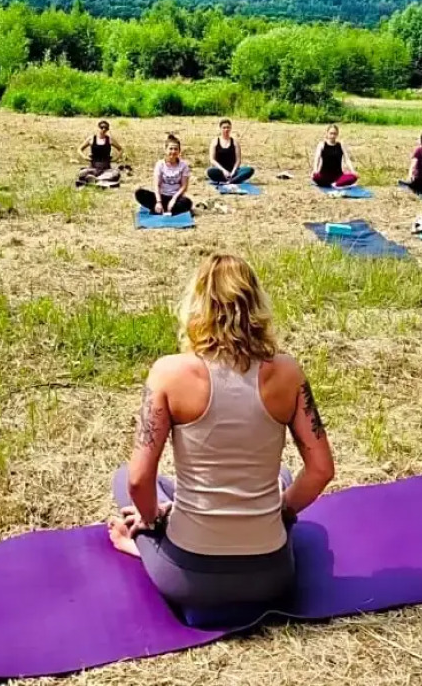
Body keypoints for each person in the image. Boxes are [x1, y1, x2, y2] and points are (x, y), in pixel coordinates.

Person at [108, 253, 335, 611]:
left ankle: (137, 546)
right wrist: (282, 510)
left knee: (123, 479)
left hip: (189, 577)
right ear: (256, 305)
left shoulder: (168, 373)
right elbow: (321, 470)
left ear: (196, 306)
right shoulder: (288, 373)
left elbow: (138, 479)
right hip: (271, 576)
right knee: (281, 476)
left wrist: (152, 520)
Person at [135, 136, 192, 216]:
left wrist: (173, 200)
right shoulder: (160, 164)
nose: (173, 151)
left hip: (176, 197)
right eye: (171, 149)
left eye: (176, 149)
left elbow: (184, 186)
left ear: (179, 151)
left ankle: (164, 210)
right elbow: (156, 185)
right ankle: (161, 208)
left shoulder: (184, 165)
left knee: (187, 202)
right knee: (139, 193)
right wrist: (158, 202)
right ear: (165, 150)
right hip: (161, 196)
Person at [207, 119, 255, 185]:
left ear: (230, 128)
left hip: (233, 171)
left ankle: (231, 180)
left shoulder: (235, 142)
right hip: (220, 170)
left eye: (228, 127)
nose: (226, 129)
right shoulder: (215, 142)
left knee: (250, 170)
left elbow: (238, 160)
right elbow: (212, 160)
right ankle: (230, 180)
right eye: (224, 128)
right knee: (210, 171)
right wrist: (223, 171)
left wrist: (233, 171)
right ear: (220, 129)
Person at [77, 120, 123, 186]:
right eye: (102, 127)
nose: (104, 129)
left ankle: (96, 179)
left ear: (108, 129)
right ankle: (100, 179)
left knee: (116, 174)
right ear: (98, 128)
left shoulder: (110, 139)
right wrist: (84, 157)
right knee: (81, 173)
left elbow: (121, 149)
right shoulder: (91, 138)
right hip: (93, 168)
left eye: (106, 128)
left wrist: (116, 159)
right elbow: (79, 149)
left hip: (106, 168)